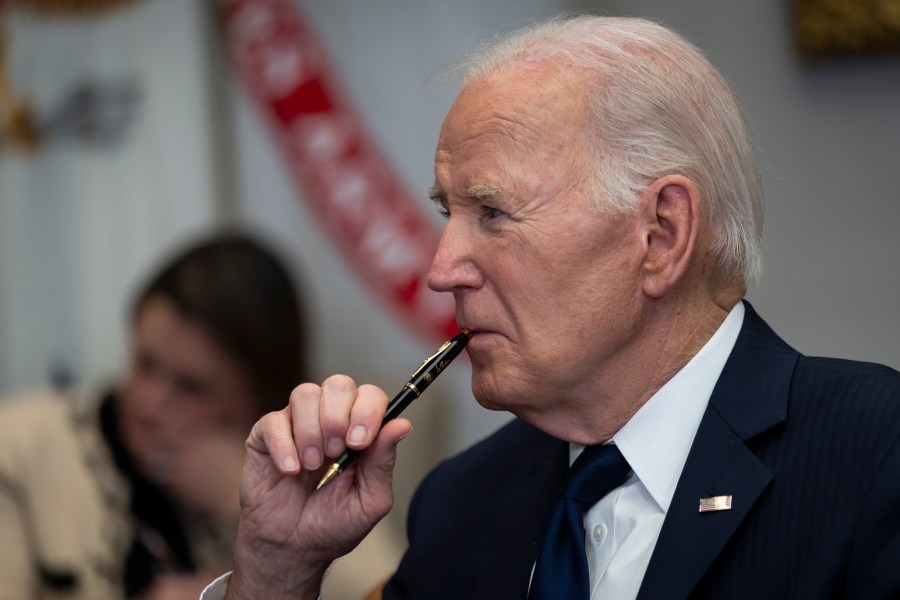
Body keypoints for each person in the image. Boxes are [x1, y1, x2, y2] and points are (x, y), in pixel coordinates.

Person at [206, 15, 900, 600]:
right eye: (450, 212)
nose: (442, 268)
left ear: (661, 234)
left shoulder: (874, 459)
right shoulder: (459, 507)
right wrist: (277, 569)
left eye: (493, 212)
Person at [0, 232, 309, 599]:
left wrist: (241, 498)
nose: (148, 404)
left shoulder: (286, 461)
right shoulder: (20, 448)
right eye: (145, 363)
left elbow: (374, 587)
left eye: (191, 387)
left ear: (258, 397)